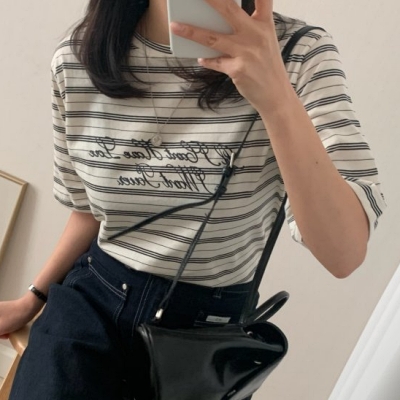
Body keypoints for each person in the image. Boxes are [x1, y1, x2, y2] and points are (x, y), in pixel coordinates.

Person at [0, 0, 386, 399]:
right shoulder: (78, 58)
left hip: (203, 340)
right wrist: (32, 299)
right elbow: (90, 214)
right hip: (90, 306)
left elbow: (343, 253)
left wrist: (276, 98)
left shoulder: (299, 55)